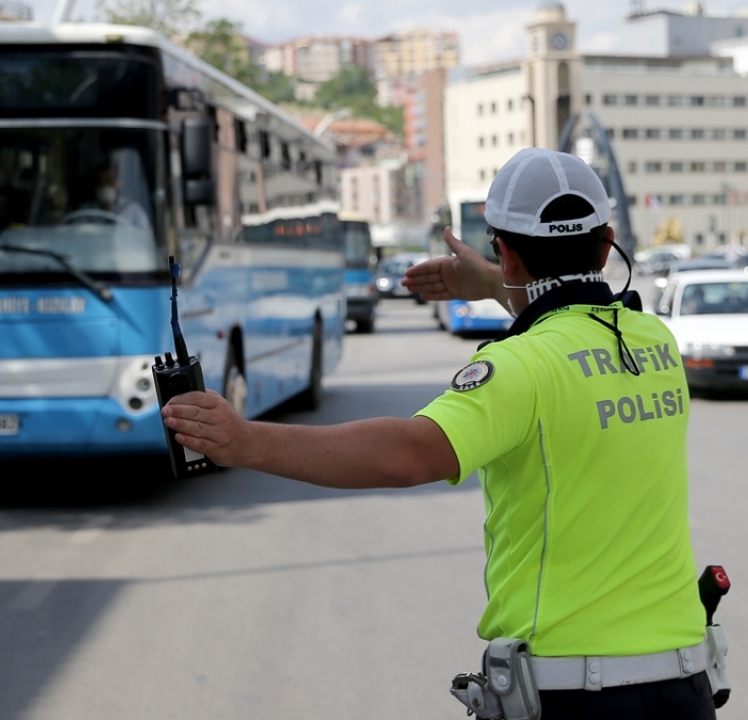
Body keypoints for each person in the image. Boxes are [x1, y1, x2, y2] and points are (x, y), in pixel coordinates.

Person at [162, 148, 716, 720]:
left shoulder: (520, 369)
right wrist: (496, 283)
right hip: (685, 684)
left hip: (573, 695)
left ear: (505, 250)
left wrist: (245, 440)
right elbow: (572, 314)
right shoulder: (655, 343)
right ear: (607, 243)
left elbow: (405, 455)